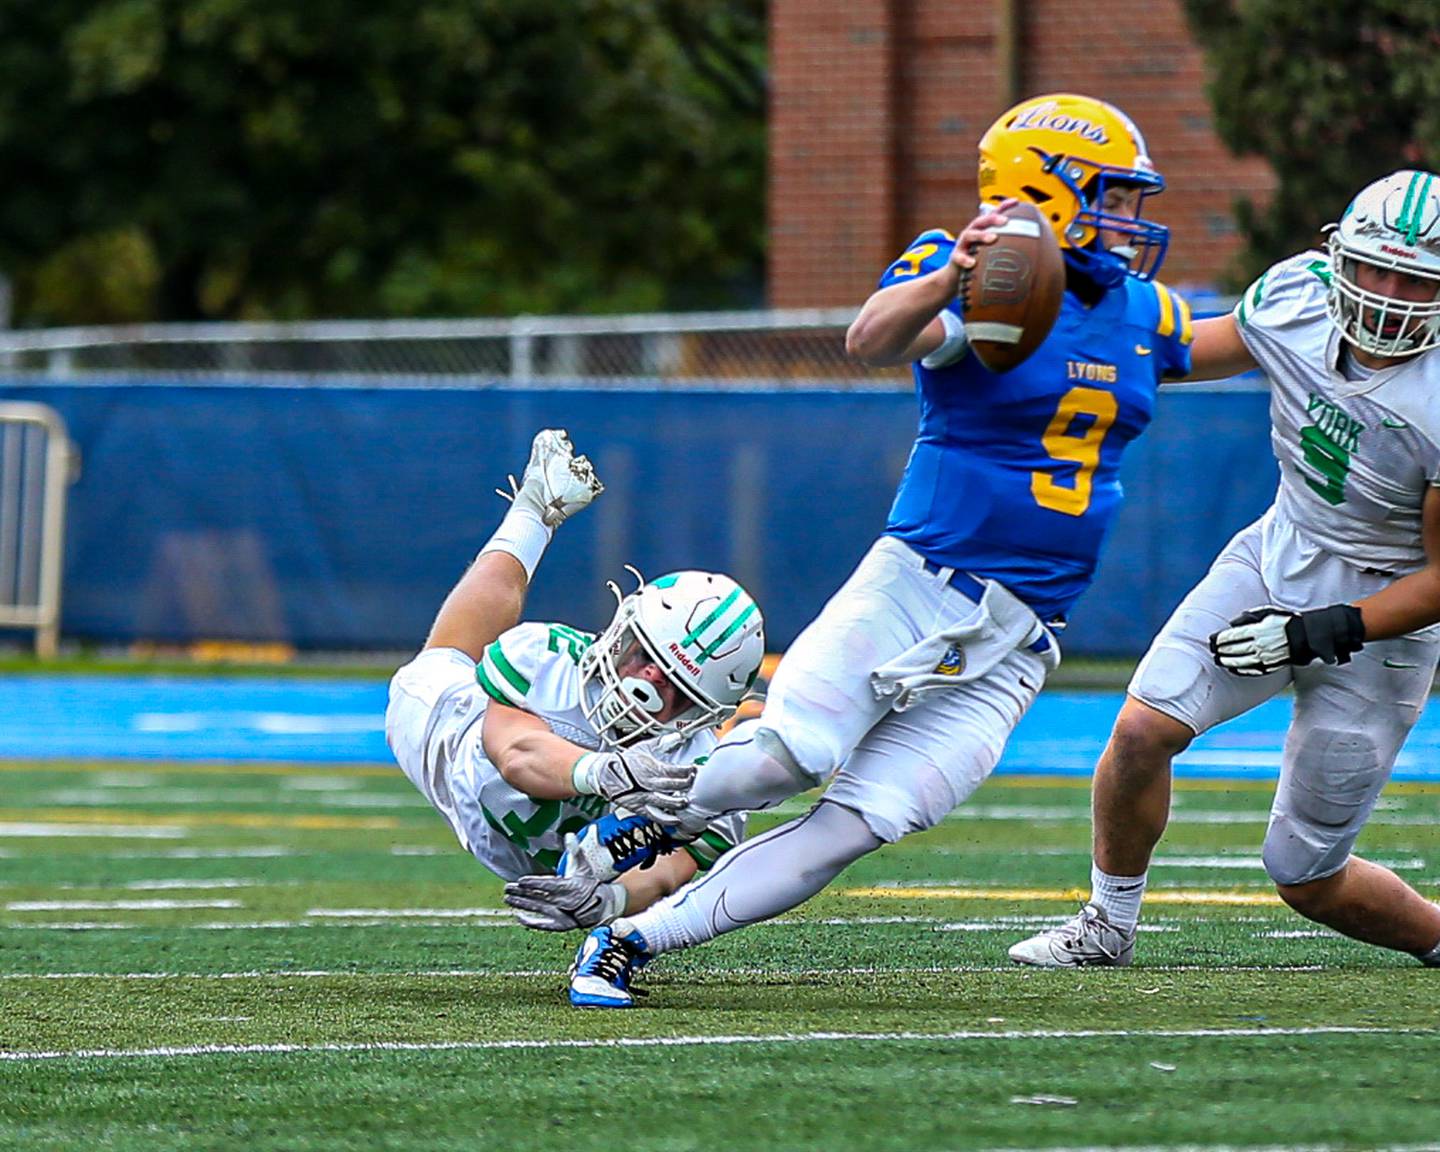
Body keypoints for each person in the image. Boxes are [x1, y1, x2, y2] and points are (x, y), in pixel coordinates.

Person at [522, 93, 1197, 1007]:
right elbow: (873, 336)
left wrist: (1319, 315)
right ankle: (626, 828)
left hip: (1022, 639)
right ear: (1047, 189)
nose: (1128, 217)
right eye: (1111, 193)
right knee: (790, 754)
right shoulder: (973, 269)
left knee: (859, 824)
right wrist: (950, 277)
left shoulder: (1141, 309)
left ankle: (629, 938)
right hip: (919, 581)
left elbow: (1223, 344)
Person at [1009, 169, 1440, 969]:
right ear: (1338, 257)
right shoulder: (1296, 297)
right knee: (1142, 730)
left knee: (1306, 877)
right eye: (1373, 267)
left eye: (1412, 278)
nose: (1385, 293)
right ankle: (1107, 926)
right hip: (1279, 554)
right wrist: (1072, 345)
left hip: (1382, 622)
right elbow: (1187, 352)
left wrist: (1315, 634)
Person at [384, 428, 766, 931]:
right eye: (644, 656)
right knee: (437, 663)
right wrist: (605, 774)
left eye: (673, 686)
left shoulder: (699, 764)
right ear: (620, 632)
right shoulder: (549, 658)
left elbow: (673, 871)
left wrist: (608, 901)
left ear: (703, 711)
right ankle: (532, 512)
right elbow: (516, 753)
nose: (647, 681)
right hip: (455, 753)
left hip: (550, 857)